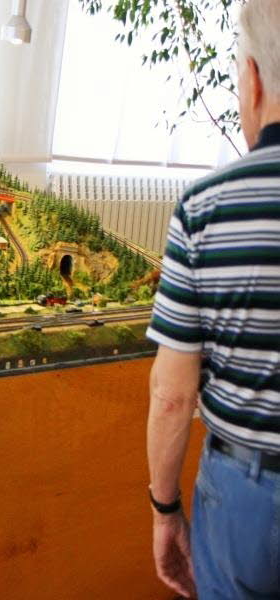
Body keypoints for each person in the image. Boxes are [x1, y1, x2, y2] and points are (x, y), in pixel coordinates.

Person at [146, 1, 280, 596]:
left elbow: (173, 395)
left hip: (245, 497)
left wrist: (164, 508)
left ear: (252, 79)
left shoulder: (205, 209)